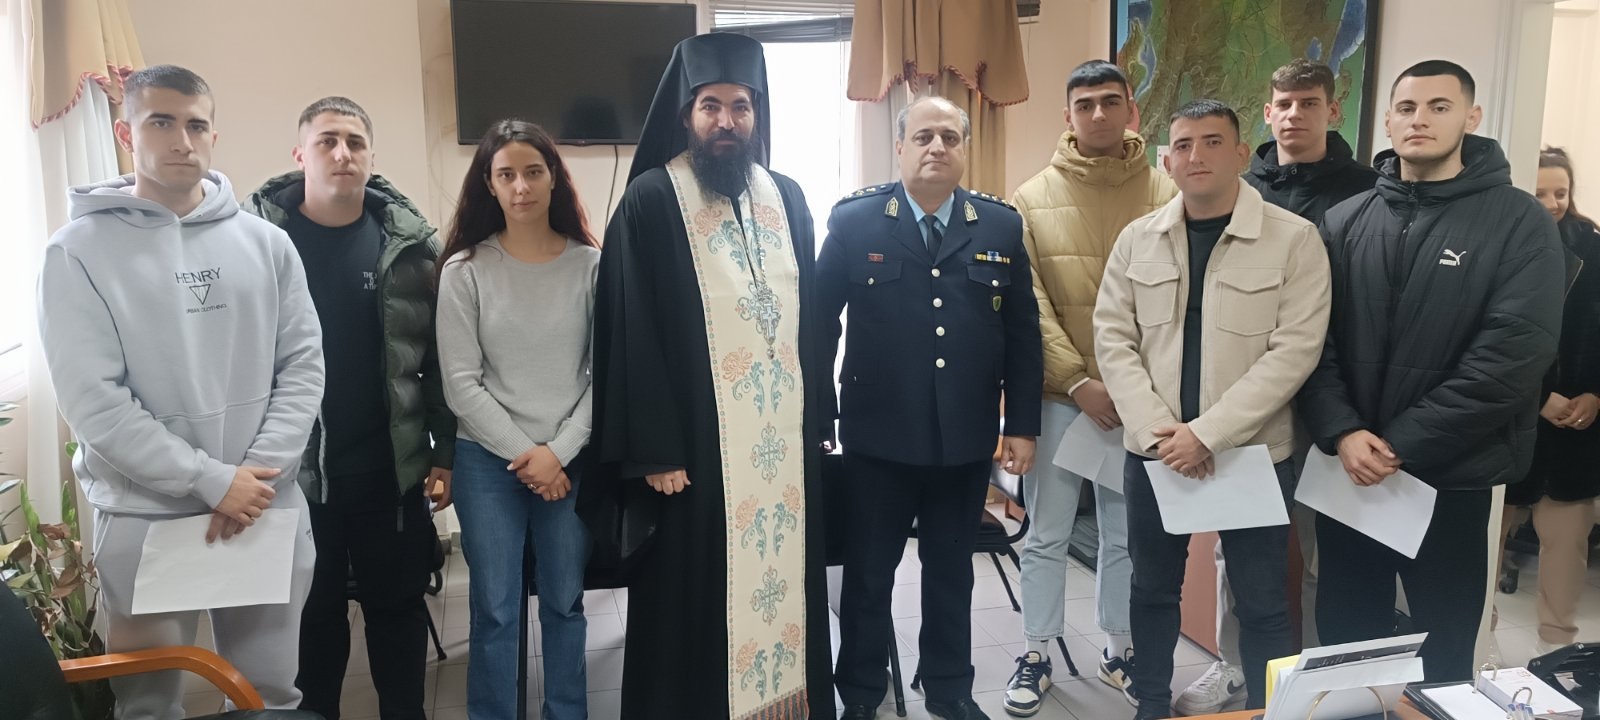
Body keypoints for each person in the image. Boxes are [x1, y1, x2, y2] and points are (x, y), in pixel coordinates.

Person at [37, 64, 324, 719]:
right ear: (125, 133)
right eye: (160, 122)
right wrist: (209, 481)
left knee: (269, 697)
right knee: (149, 703)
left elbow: (303, 366)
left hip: (261, 505)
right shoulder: (76, 252)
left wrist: (253, 477)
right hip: (147, 517)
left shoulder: (267, 243)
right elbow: (95, 402)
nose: (181, 140)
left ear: (214, 134)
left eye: (196, 125)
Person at [581, 33, 833, 719]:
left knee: (785, 585)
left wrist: (817, 417)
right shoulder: (652, 200)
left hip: (781, 455)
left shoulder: (789, 197)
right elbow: (630, 330)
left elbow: (811, 321)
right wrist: (654, 449)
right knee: (693, 598)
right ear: (687, 115)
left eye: (741, 107)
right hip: (692, 456)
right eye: (711, 106)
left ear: (757, 115)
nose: (727, 121)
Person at [1297, 60, 1565, 681]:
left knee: (1442, 651)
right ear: (1388, 121)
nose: (1420, 120)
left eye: (1439, 107)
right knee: (1346, 642)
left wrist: (1400, 443)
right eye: (1407, 108)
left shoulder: (1518, 221)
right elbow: (1310, 341)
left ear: (1471, 118)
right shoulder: (1345, 220)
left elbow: (1513, 356)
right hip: (1351, 473)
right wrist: (1343, 431)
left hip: (1452, 475)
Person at [1094, 100, 1331, 719]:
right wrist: (1160, 434)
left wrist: (1209, 433)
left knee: (1263, 603)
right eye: (1183, 144)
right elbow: (1113, 339)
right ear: (1167, 160)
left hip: (1251, 454)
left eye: (1212, 142)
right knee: (1151, 590)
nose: (1196, 155)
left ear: (1241, 153)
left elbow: (1295, 351)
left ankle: (1268, 711)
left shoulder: (1293, 239)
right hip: (1157, 454)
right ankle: (1150, 703)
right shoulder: (1137, 239)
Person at [822, 95, 1043, 720]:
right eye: (923, 137)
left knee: (951, 573)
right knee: (869, 575)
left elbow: (1023, 335)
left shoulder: (999, 226)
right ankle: (860, 692)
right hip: (876, 440)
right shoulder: (856, 222)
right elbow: (818, 325)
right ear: (900, 147)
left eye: (950, 136)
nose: (936, 147)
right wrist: (819, 419)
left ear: (966, 148)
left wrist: (1021, 425)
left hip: (964, 440)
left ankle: (948, 689)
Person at [1178, 59, 1379, 717]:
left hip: (1329, 403)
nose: (1295, 115)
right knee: (1235, 557)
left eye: (1309, 103)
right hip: (1247, 412)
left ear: (1332, 110)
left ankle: (1312, 683)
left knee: (1322, 557)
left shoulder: (1366, 192)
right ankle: (1237, 671)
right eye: (1284, 103)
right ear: (1267, 113)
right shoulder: (1237, 186)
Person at [243, 96, 455, 720]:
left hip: (390, 472)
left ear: (371, 156)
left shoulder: (411, 247)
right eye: (327, 141)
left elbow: (438, 362)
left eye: (355, 142)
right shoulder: (255, 244)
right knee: (313, 618)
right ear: (300, 154)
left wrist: (444, 453)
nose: (342, 153)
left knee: (398, 611)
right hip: (294, 476)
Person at [1004, 60, 1176, 718]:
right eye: (1085, 104)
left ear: (1132, 109)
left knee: (1125, 535)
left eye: (1110, 101)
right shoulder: (1031, 198)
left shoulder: (1167, 191)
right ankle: (1036, 651)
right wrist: (1077, 381)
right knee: (1046, 533)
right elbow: (1028, 306)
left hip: (1140, 403)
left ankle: (1120, 648)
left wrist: (1129, 388)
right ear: (1068, 116)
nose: (1098, 114)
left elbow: (1177, 302)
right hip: (1061, 399)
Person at [435, 120, 599, 720]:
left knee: (565, 603)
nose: (521, 186)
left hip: (568, 459)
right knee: (496, 609)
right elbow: (461, 384)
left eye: (533, 172)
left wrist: (558, 453)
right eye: (507, 175)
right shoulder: (465, 270)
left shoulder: (590, 265)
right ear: (490, 184)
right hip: (487, 462)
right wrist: (529, 458)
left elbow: (606, 376)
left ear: (554, 178)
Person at [1496, 146, 1600, 654]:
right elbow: (1489, 340)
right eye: (1540, 193)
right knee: (1486, 542)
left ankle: (1557, 656)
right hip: (1508, 419)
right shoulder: (1499, 241)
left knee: (1566, 548)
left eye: (1561, 192)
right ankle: (1478, 645)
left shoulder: (1592, 247)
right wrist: (1538, 398)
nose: (1554, 203)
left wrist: (1595, 393)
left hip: (1576, 428)